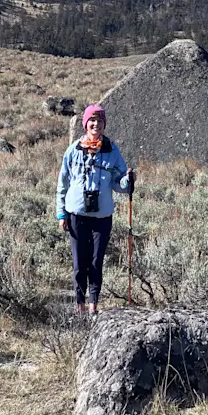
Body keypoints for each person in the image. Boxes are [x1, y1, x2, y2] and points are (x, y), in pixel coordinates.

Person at [56, 104, 134, 315]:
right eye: (92, 120)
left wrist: (128, 181)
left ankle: (93, 307)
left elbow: (119, 183)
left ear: (104, 124)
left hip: (102, 216)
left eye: (99, 121)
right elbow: (62, 183)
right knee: (79, 263)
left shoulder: (111, 150)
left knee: (96, 262)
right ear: (85, 124)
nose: (95, 124)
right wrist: (61, 213)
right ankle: (79, 307)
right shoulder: (73, 150)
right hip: (76, 215)